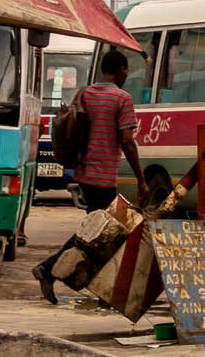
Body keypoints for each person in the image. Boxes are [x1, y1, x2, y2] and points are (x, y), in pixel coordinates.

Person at [32, 48, 144, 303]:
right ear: (122, 71)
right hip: (103, 176)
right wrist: (141, 178)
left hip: (83, 173)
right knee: (102, 234)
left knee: (96, 231)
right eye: (127, 71)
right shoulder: (122, 98)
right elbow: (127, 141)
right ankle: (49, 270)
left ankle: (67, 276)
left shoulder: (85, 93)